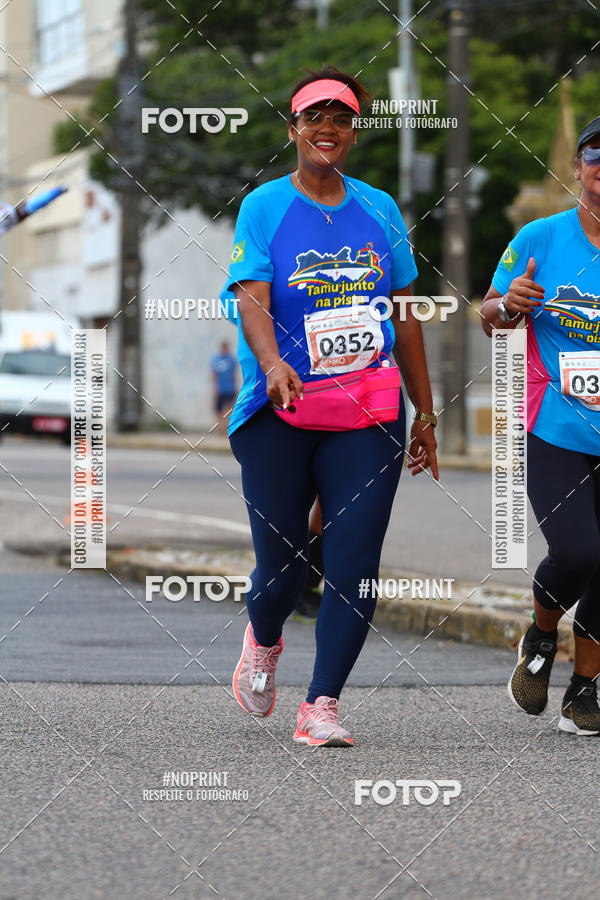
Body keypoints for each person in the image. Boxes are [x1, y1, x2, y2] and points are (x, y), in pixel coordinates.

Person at [227, 65, 438, 747]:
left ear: (354, 131)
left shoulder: (380, 208)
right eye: (314, 116)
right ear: (293, 128)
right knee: (282, 566)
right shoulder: (264, 206)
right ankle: (262, 640)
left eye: (341, 118)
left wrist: (426, 410)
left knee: (354, 560)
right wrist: (273, 363)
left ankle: (321, 705)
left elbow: (404, 313)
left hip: (368, 410)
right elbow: (251, 297)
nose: (328, 128)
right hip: (279, 409)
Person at [481, 116, 600, 736]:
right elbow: (490, 314)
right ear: (578, 167)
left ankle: (584, 691)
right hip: (555, 424)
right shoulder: (541, 237)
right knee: (579, 551)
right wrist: (509, 303)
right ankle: (542, 632)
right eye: (596, 154)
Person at [0, 186, 68, 234]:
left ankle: (59, 190)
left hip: (19, 211)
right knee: (39, 202)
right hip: (20, 214)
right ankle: (59, 190)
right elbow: (7, 223)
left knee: (38, 201)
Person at [210, 340, 237, 436]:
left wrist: (236, 387)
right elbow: (214, 375)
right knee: (219, 411)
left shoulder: (231, 359)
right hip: (220, 389)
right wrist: (215, 388)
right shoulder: (216, 359)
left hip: (230, 388)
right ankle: (220, 430)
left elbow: (234, 374)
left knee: (229, 410)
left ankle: (227, 429)